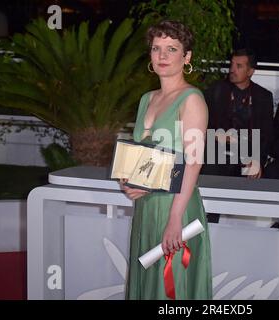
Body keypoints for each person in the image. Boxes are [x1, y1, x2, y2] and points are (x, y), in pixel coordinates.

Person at [119, 20, 212, 300]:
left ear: (187, 57)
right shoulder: (147, 99)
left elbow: (193, 162)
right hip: (146, 208)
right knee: (148, 285)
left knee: (171, 289)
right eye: (156, 48)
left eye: (171, 49)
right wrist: (130, 181)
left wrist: (174, 219)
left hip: (176, 206)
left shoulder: (192, 99)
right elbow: (142, 156)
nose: (162, 56)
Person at [201, 48, 274, 179]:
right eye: (232, 64)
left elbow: (266, 135)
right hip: (218, 148)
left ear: (250, 71)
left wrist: (257, 160)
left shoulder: (263, 97)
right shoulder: (216, 90)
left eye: (238, 66)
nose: (232, 69)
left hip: (248, 150)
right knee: (212, 167)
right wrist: (216, 136)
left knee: (252, 174)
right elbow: (202, 123)